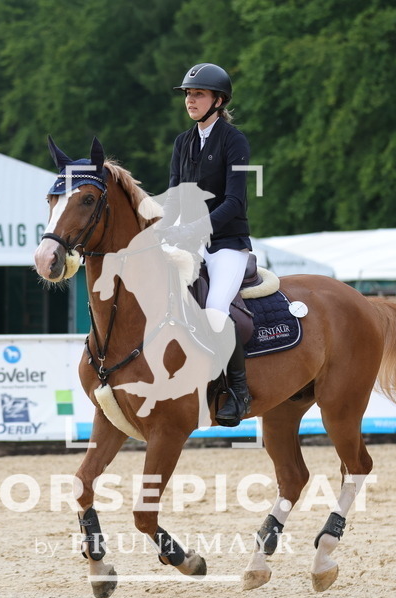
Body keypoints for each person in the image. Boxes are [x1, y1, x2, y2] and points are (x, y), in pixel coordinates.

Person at [168, 62, 252, 427]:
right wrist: (161, 228)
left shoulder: (235, 142)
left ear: (218, 100)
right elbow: (174, 195)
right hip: (191, 244)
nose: (191, 100)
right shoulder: (182, 142)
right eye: (188, 94)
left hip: (228, 245)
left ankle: (238, 390)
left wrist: (197, 227)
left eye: (198, 94)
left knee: (216, 309)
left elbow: (235, 201)